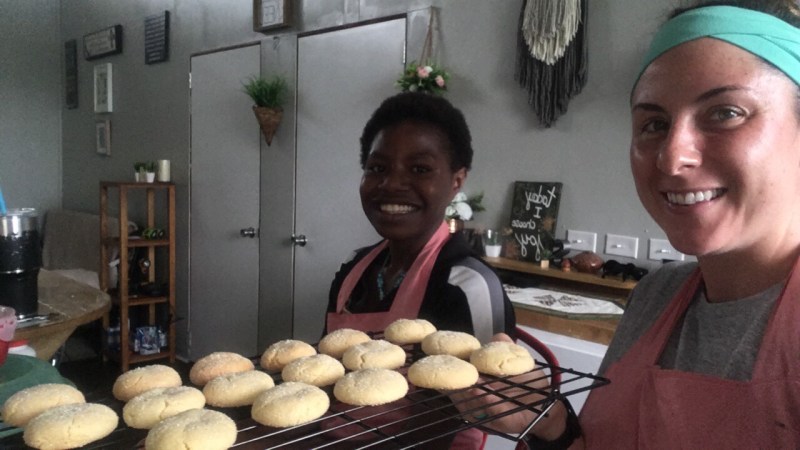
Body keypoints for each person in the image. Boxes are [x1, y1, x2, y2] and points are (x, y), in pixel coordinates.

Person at [455, 1, 800, 448]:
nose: (672, 158)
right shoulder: (655, 296)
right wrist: (548, 422)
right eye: (654, 123)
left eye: (725, 113)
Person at [326, 91, 517, 448]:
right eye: (377, 168)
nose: (392, 184)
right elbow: (329, 377)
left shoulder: (468, 286)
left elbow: (488, 411)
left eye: (420, 169)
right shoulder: (353, 273)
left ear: (457, 181)